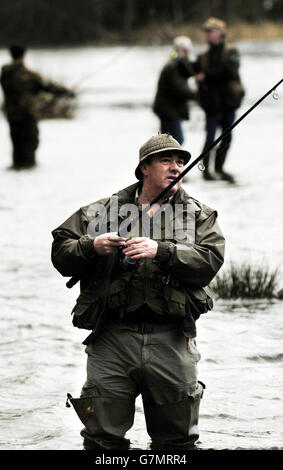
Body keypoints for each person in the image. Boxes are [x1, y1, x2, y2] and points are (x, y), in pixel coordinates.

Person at [51, 133, 225, 450]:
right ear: (144, 167)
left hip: (172, 340)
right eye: (166, 160)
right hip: (111, 339)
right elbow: (61, 252)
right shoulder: (102, 212)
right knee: (101, 440)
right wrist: (93, 246)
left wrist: (162, 251)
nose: (176, 168)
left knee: (178, 443)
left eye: (181, 162)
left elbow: (210, 261)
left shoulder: (199, 216)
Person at [0, 45, 73, 169]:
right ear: (24, 55)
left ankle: (18, 165)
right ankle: (28, 166)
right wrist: (65, 91)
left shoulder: (5, 73)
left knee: (17, 140)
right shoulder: (28, 75)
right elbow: (47, 86)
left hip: (12, 113)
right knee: (30, 140)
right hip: (27, 113)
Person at [195, 18, 245, 182]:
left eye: (211, 31)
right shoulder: (202, 56)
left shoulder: (232, 51)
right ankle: (206, 172)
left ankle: (219, 169)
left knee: (227, 137)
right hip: (211, 105)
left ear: (221, 34)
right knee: (210, 138)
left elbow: (230, 71)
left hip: (229, 103)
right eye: (207, 32)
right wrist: (176, 55)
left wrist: (206, 76)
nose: (208, 35)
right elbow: (190, 70)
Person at [153, 36, 197, 145]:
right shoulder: (172, 66)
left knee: (168, 142)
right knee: (177, 140)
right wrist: (198, 95)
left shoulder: (177, 63)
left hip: (171, 109)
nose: (188, 54)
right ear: (179, 50)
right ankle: (171, 161)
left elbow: (189, 70)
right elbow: (179, 89)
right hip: (169, 110)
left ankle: (167, 161)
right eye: (186, 51)